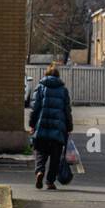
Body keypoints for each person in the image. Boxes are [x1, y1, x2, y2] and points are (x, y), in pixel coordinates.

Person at [29, 62, 73, 190]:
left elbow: (34, 108)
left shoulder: (40, 88)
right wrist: (69, 127)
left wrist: (32, 124)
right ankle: (50, 181)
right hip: (58, 129)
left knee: (40, 153)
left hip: (41, 126)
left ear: (46, 75)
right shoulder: (63, 90)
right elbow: (67, 111)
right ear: (58, 76)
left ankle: (39, 171)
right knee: (55, 156)